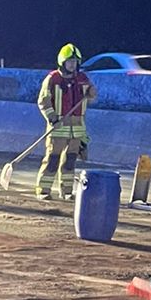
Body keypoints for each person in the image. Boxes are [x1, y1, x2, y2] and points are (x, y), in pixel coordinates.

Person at [36, 44, 97, 200]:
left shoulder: (82, 79)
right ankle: (43, 190)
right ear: (62, 62)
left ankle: (67, 191)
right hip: (58, 128)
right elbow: (44, 102)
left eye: (75, 62)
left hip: (77, 129)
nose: (73, 64)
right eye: (70, 61)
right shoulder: (53, 79)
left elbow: (91, 96)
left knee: (70, 161)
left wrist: (91, 93)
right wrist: (52, 118)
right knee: (52, 159)